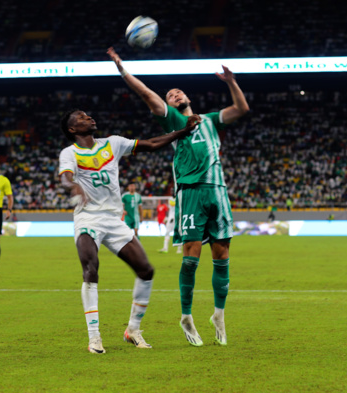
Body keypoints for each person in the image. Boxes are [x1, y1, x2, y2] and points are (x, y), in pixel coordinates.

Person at [108, 47, 250, 347]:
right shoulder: (173, 120)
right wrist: (122, 70)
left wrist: (231, 82)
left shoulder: (211, 119)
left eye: (178, 92)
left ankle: (219, 314)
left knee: (222, 255)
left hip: (218, 192)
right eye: (171, 94)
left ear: (189, 99)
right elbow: (147, 94)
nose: (175, 94)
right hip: (190, 192)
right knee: (191, 256)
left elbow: (241, 110)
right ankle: (186, 315)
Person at [59, 108, 200, 354]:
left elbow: (152, 143)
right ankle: (94, 338)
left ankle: (132, 330)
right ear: (72, 129)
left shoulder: (113, 143)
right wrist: (74, 187)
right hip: (87, 218)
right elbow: (66, 177)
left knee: (146, 270)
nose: (89, 117)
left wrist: (182, 131)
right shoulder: (69, 153)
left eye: (88, 115)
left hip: (114, 219)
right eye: (81, 117)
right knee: (90, 270)